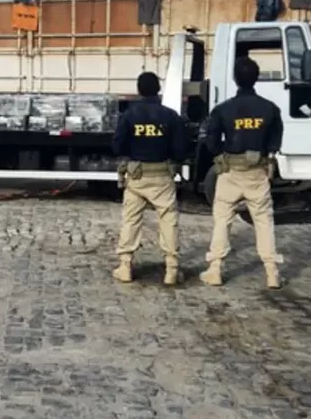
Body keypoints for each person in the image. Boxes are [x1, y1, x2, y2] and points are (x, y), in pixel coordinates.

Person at [201, 56, 284, 289]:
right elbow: (275, 141)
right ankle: (272, 272)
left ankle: (215, 269)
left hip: (230, 172)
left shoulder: (223, 109)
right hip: (257, 172)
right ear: (256, 78)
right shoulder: (270, 109)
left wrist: (220, 155)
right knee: (264, 221)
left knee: (222, 220)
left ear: (235, 79)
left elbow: (211, 141)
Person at [111, 71, 188, 285]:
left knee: (131, 219)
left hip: (137, 176)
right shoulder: (171, 116)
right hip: (162, 175)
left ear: (139, 90)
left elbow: (117, 146)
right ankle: (171, 267)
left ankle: (125, 265)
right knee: (168, 219)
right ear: (158, 89)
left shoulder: (129, 115)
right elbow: (181, 150)